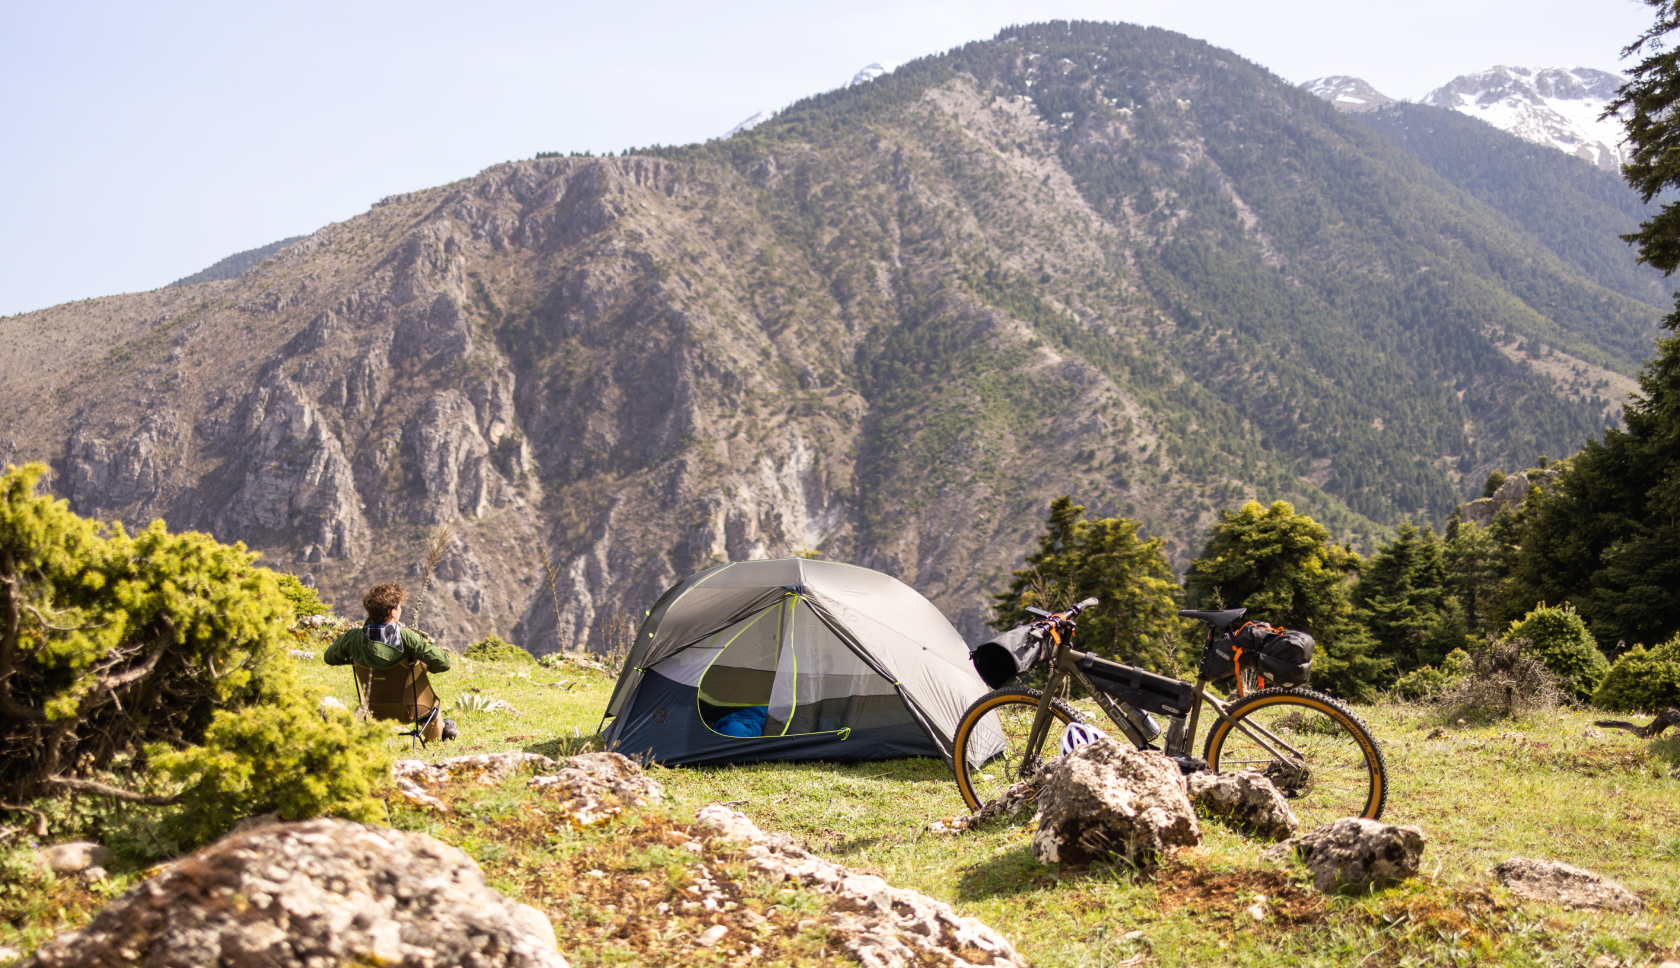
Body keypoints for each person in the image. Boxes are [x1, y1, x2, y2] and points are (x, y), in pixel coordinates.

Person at [324, 582, 456, 741]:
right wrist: (424, 667)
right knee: (432, 708)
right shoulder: (406, 637)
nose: (401, 610)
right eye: (400, 607)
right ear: (393, 612)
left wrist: (357, 659)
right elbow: (444, 662)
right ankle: (437, 740)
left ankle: (444, 728)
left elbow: (329, 657)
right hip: (412, 710)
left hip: (375, 711)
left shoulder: (353, 638)